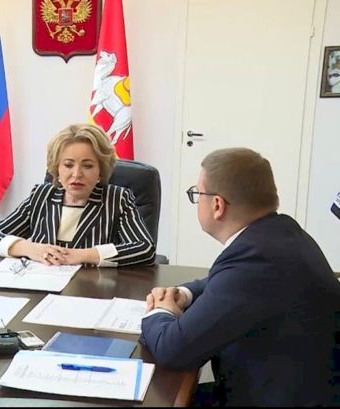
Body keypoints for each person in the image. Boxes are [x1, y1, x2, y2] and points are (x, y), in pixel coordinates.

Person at [140, 147, 340, 406]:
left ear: (217, 205)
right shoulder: (281, 232)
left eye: (197, 194)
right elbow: (225, 282)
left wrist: (159, 311)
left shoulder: (255, 261)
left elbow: (173, 350)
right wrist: (183, 294)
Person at [0, 123, 156, 267]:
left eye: (87, 166)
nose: (77, 174)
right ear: (57, 168)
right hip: (42, 286)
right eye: (68, 165)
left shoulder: (117, 200)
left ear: (101, 170)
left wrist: (80, 255)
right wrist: (31, 249)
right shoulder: (41, 196)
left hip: (92, 290)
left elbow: (145, 249)